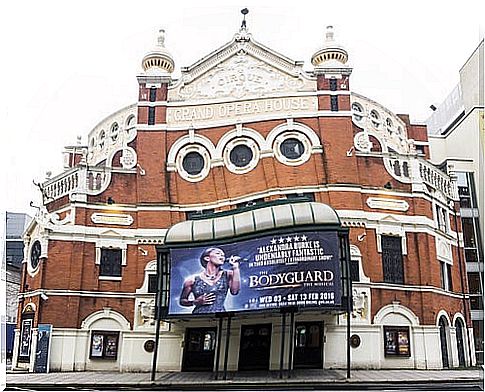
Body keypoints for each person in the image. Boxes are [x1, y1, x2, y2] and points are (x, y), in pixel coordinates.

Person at [179, 247, 240, 314]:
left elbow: (234, 292)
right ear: (207, 258)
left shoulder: (228, 274)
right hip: (198, 317)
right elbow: (182, 301)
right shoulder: (192, 280)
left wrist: (235, 267)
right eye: (218, 253)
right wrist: (195, 302)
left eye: (223, 255)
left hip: (220, 316)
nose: (222, 256)